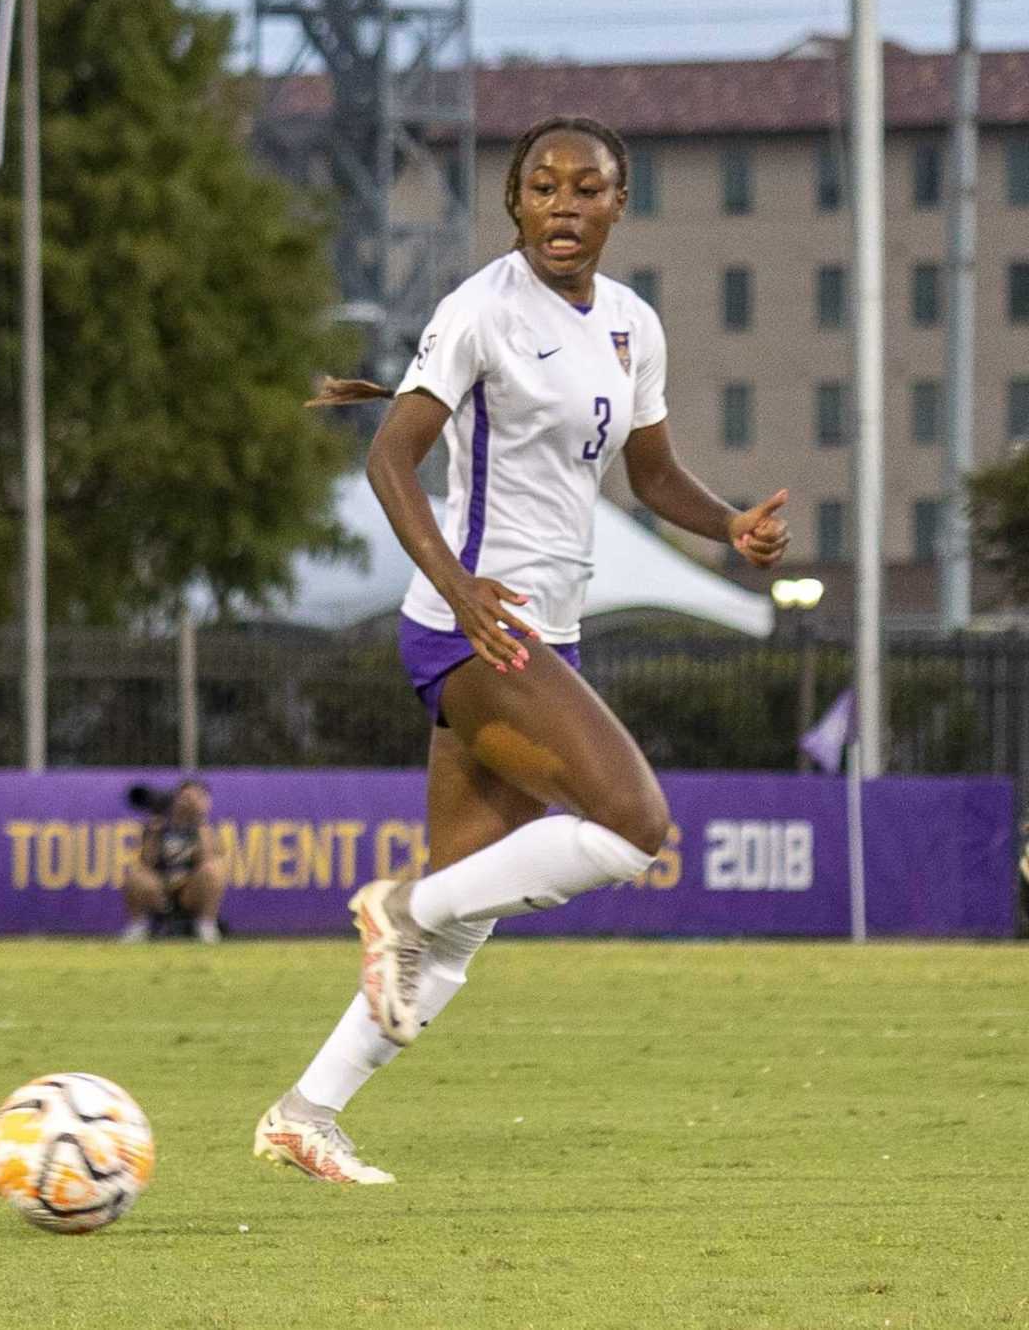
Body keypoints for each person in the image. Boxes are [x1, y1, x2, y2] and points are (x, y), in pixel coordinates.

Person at [252, 115, 789, 1186]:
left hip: (547, 629)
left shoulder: (630, 325)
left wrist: (727, 522)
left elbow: (650, 477)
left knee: (462, 920)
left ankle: (305, 1109)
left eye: (586, 187)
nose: (563, 204)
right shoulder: (479, 310)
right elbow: (391, 461)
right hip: (473, 625)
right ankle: (396, 906)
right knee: (635, 826)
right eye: (542, 185)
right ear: (514, 202)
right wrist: (457, 585)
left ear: (616, 205)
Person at [119, 779, 226, 945]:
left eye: (194, 798)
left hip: (189, 892)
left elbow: (208, 858)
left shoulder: (205, 829)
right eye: (185, 797)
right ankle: (138, 925)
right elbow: (146, 862)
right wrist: (155, 828)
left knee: (214, 867)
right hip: (161, 889)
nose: (187, 803)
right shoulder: (160, 825)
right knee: (135, 872)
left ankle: (206, 924)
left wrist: (200, 820)